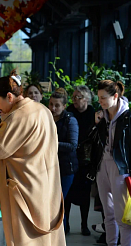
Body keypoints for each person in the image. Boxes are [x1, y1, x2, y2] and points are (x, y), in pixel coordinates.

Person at [0, 76, 65, 245]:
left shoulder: (18, 116)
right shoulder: (42, 110)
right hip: (45, 183)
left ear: (9, 97)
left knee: (27, 238)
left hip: (25, 188)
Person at [90, 80, 131, 246]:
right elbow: (94, 143)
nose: (100, 101)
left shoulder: (129, 118)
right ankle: (111, 243)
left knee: (123, 215)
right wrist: (97, 124)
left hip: (120, 169)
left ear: (115, 96)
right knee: (108, 213)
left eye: (103, 98)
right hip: (102, 167)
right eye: (98, 98)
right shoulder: (102, 116)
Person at [65, 85, 95, 236]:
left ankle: (84, 224)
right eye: (73, 97)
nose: (74, 100)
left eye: (78, 97)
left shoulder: (94, 114)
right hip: (70, 157)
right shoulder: (68, 112)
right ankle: (66, 224)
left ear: (86, 99)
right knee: (68, 194)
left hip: (86, 160)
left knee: (85, 194)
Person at [48, 88, 79, 235]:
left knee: (58, 203)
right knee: (53, 203)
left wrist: (50, 143)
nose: (53, 108)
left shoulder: (70, 120)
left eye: (57, 105)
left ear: (64, 106)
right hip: (49, 168)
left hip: (66, 168)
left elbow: (72, 145)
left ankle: (61, 234)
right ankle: (58, 232)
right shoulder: (47, 118)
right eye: (51, 104)